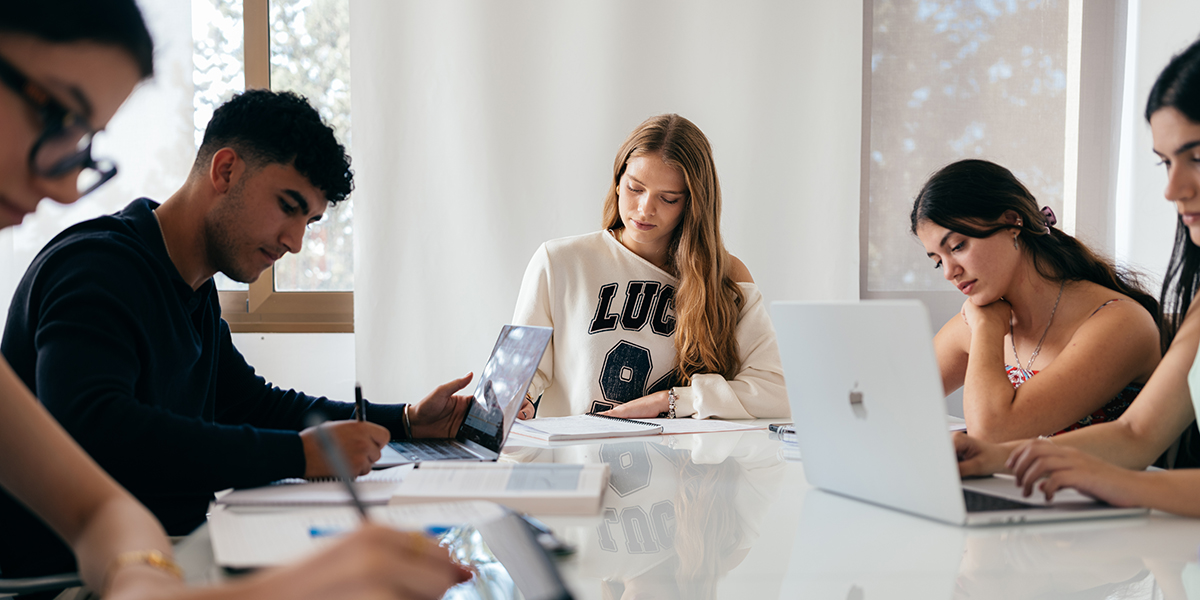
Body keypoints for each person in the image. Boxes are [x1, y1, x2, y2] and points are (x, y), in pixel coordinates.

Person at [0, 1, 469, 599]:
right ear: (225, 171)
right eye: (288, 207)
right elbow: (97, 428)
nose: (295, 242)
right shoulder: (98, 268)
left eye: (309, 222)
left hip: (153, 558)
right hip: (54, 580)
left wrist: (400, 420)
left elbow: (248, 402)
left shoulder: (191, 286)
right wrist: (298, 456)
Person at [955, 36, 1200, 517]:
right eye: (1165, 162)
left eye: (1197, 157)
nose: (1172, 189)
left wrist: (1122, 484)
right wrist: (996, 458)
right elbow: (1135, 434)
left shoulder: (1116, 319)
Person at [511, 114, 788, 420]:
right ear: (618, 182)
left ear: (692, 204)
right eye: (635, 188)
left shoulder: (724, 276)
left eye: (668, 199)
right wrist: (513, 402)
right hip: (581, 450)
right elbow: (511, 382)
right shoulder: (559, 261)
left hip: (686, 452)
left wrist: (670, 401)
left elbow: (778, 391)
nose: (645, 209)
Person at [912, 160, 1161, 442]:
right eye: (938, 261)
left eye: (957, 246)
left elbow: (993, 430)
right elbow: (890, 400)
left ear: (1012, 222)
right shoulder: (980, 319)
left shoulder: (1120, 323)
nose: (949, 272)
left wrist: (986, 330)